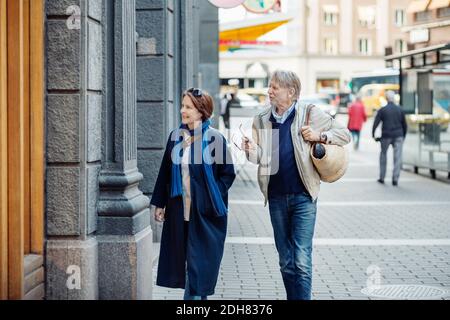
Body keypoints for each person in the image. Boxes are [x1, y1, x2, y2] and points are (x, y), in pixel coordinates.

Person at [241, 70, 351, 300]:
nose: (269, 91)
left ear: (291, 92)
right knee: (286, 261)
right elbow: (262, 157)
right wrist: (251, 151)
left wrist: (319, 135)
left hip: (303, 197)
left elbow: (344, 134)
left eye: (274, 87)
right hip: (276, 198)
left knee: (301, 259)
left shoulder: (308, 113)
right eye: (269, 86)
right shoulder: (263, 118)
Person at [151, 88, 236, 300]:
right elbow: (165, 173)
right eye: (183, 106)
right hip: (180, 212)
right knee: (190, 266)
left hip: (206, 214)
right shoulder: (175, 137)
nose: (182, 110)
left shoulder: (215, 139)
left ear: (201, 111)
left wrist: (211, 197)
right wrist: (160, 204)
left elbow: (228, 174)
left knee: (199, 267)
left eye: (188, 107)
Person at [372, 90, 407, 186]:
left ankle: (382, 177)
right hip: (398, 135)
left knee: (383, 155)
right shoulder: (400, 109)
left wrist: (373, 134)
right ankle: (395, 179)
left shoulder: (383, 110)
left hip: (386, 135)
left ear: (386, 98)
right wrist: (403, 136)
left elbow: (376, 123)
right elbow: (404, 124)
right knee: (397, 157)